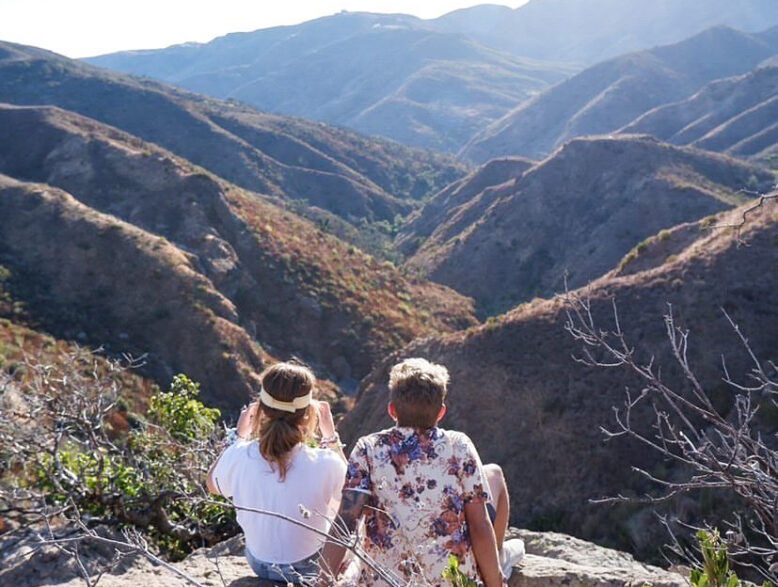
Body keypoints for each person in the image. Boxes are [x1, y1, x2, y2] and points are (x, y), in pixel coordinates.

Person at [318, 358, 523, 587]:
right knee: (494, 476)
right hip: (452, 581)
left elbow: (346, 520)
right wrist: (495, 582)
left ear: (392, 410)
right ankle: (499, 557)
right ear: (441, 412)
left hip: (384, 581)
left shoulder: (368, 448)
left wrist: (322, 582)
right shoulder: (459, 445)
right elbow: (479, 524)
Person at [207, 361, 347, 585]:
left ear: (260, 409)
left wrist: (236, 439)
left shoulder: (241, 454)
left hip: (259, 562)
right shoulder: (325, 462)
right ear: (309, 413)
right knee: (344, 518)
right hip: (308, 565)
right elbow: (351, 495)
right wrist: (330, 438)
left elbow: (212, 485)